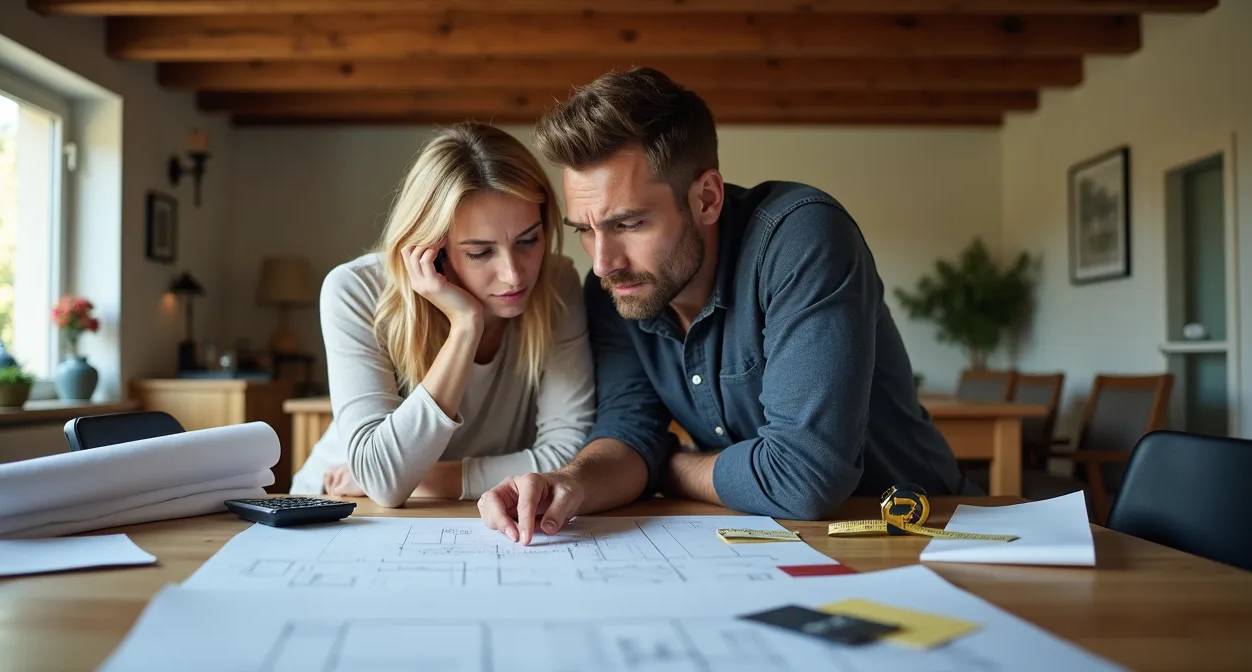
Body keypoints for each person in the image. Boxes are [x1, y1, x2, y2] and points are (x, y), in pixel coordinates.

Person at [477, 67, 968, 544]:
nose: (603, 263)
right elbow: (629, 431)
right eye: (584, 230)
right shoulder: (617, 290)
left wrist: (668, 466)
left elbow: (804, 479)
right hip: (766, 538)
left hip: (915, 530)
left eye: (628, 224)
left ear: (706, 199)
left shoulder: (800, 240)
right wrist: (573, 483)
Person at [291, 122, 595, 507]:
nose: (514, 274)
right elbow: (384, 483)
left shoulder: (557, 284)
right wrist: (465, 326)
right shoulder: (356, 290)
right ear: (433, 250)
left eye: (528, 240)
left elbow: (568, 457)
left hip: (476, 510)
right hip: (340, 507)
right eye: (480, 252)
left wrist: (425, 478)